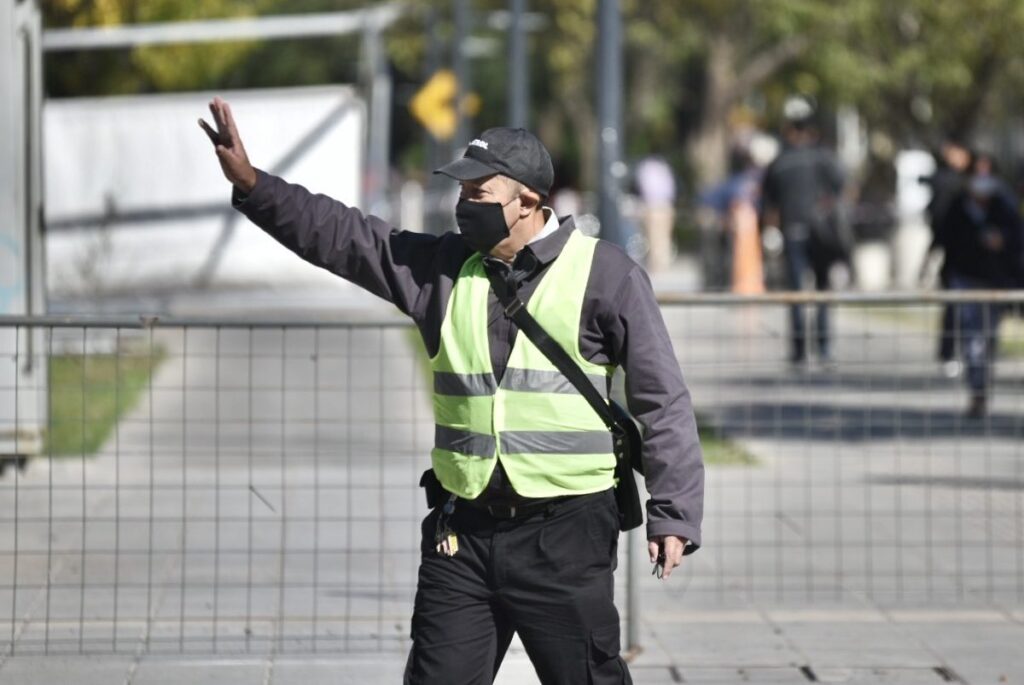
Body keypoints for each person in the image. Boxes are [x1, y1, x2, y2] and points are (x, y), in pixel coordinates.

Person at [199, 98, 705, 684]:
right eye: (461, 194)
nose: (462, 207)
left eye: (478, 196)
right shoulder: (442, 269)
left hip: (565, 536)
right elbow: (342, 236)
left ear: (529, 203)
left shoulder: (607, 275)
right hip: (462, 535)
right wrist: (256, 187)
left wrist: (675, 513)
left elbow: (661, 398)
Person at [936, 154, 1024, 418]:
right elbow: (943, 240)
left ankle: (982, 385)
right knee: (973, 338)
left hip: (995, 283)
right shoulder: (957, 206)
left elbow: (1017, 242)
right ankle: (978, 392)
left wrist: (1003, 243)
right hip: (965, 280)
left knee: (988, 338)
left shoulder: (1005, 207)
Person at [761, 96, 846, 366]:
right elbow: (841, 188)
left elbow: (768, 204)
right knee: (822, 290)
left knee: (796, 293)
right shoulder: (824, 158)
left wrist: (768, 233)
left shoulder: (779, 162)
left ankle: (799, 351)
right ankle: (823, 347)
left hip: (793, 232)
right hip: (821, 234)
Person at [921, 139, 972, 376]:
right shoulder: (945, 181)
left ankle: (965, 351)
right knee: (954, 306)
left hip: (972, 255)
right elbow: (937, 218)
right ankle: (949, 352)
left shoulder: (970, 181)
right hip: (953, 253)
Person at [633, 155, 677, 274]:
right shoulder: (664, 169)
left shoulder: (646, 168)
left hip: (652, 205)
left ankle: (656, 265)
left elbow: (644, 188)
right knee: (664, 237)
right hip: (665, 204)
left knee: (653, 236)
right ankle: (662, 264)